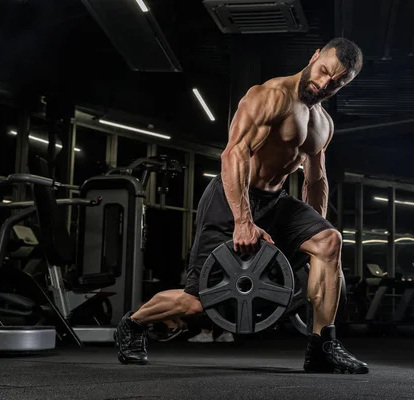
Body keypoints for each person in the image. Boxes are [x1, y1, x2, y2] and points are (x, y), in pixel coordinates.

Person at [114, 37, 368, 374]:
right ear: (314, 56)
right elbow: (234, 153)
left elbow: (316, 179)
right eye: (323, 72)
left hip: (276, 200)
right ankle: (133, 324)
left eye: (336, 83)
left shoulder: (323, 123)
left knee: (329, 241)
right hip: (232, 196)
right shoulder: (269, 96)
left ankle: (322, 347)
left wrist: (313, 229)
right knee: (198, 302)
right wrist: (243, 220)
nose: (324, 84)